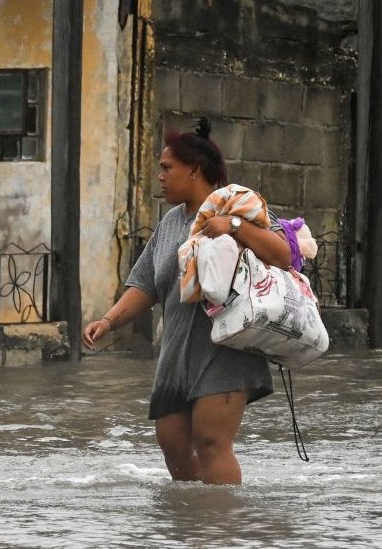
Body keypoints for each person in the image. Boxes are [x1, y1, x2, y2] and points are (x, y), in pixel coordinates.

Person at [82, 118, 292, 485]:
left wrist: (235, 228)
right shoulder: (169, 224)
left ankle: (220, 529)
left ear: (194, 169)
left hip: (226, 350)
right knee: (173, 443)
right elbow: (146, 285)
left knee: (212, 441)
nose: (160, 177)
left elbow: (283, 255)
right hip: (176, 353)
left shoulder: (238, 205)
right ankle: (192, 527)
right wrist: (108, 321)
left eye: (167, 168)